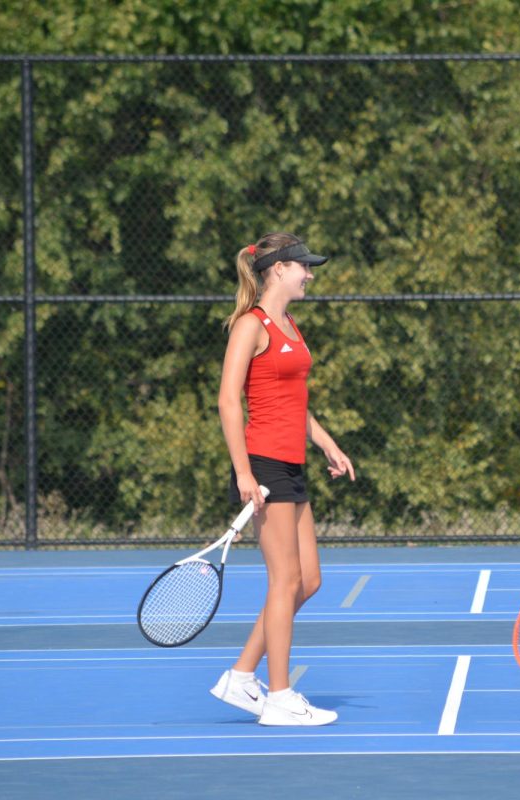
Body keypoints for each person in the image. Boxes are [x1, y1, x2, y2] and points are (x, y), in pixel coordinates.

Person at [211, 232, 355, 726]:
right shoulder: (250, 326)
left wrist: (327, 442)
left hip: (292, 462)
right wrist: (244, 473)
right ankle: (278, 696)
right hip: (265, 465)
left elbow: (295, 400)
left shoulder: (290, 325)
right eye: (303, 267)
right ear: (278, 270)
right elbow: (229, 401)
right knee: (284, 580)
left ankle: (242, 675)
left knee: (307, 580)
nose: (309, 274)